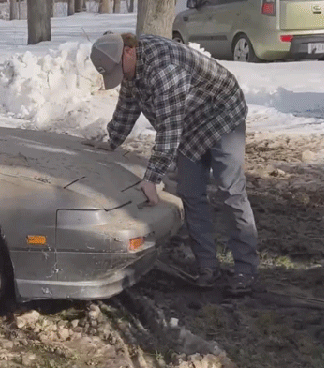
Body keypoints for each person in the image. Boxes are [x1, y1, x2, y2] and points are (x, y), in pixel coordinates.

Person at [87, 31, 259, 295]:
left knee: (230, 190)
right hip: (188, 124)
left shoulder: (165, 70)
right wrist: (112, 140)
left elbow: (169, 130)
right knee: (191, 193)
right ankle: (207, 267)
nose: (122, 79)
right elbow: (128, 106)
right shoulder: (131, 67)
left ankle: (246, 268)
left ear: (128, 52)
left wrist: (151, 179)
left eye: (119, 72)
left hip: (222, 114)